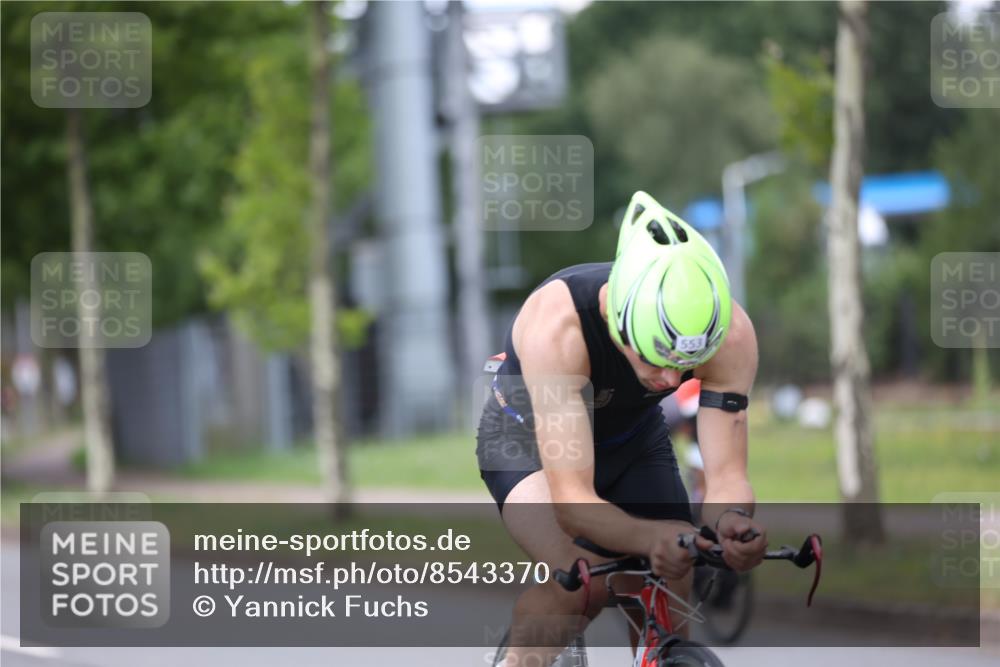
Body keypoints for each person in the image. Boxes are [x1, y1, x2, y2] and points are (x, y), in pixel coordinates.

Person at [476, 191, 767, 666]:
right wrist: (653, 539)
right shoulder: (560, 328)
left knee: (671, 574)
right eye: (656, 358)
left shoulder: (729, 335)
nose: (672, 380)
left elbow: (727, 474)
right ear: (620, 322)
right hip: (521, 442)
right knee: (581, 579)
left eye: (686, 364)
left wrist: (730, 521)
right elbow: (573, 505)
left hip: (631, 437)